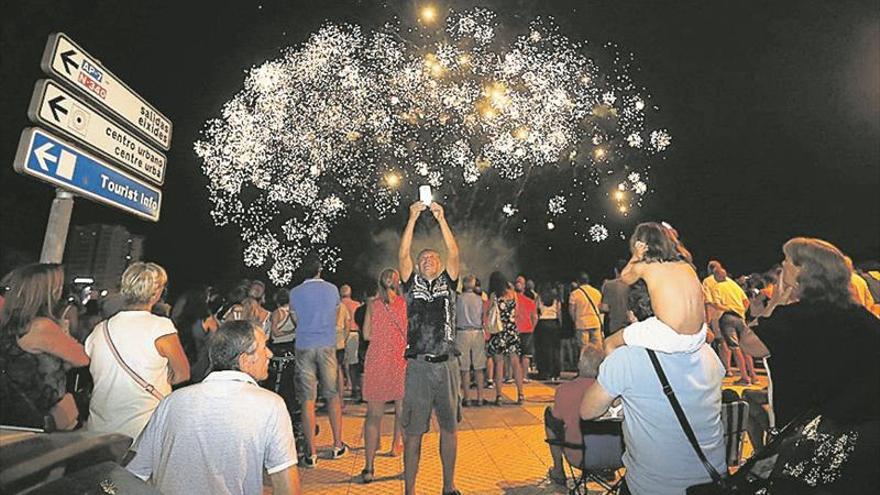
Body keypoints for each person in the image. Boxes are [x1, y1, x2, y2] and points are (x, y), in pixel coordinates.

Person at [739, 238, 879, 491]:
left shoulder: (792, 318)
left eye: (787, 261)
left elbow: (748, 343)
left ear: (804, 271)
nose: (782, 266)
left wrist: (777, 300)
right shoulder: (863, 318)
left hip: (807, 443)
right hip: (862, 439)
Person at [580, 278, 726, 495]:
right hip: (711, 479)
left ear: (631, 315)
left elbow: (587, 411)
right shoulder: (707, 353)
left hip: (653, 486)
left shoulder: (627, 359)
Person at [126, 320, 300, 495]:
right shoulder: (270, 405)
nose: (269, 354)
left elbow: (134, 472)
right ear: (245, 360)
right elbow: (286, 486)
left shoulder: (171, 402)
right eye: (264, 347)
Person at [398, 200, 461, 495]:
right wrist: (411, 219)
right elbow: (403, 254)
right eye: (423, 258)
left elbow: (455, 252)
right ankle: (409, 490)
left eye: (433, 257)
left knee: (449, 429)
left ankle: (448, 487)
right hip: (419, 366)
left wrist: (442, 219)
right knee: (413, 433)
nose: (427, 260)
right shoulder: (411, 285)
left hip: (447, 364)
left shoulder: (450, 283)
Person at [86, 262, 190, 440]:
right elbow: (182, 374)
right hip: (143, 428)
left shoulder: (101, 329)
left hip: (100, 428)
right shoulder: (160, 327)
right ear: (156, 293)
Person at [0, 263, 90, 431]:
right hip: (48, 419)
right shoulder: (42, 326)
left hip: (15, 417)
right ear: (47, 292)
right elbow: (82, 358)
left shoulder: (10, 321)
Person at [603, 222, 707, 355]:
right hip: (699, 335)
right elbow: (685, 253)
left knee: (610, 343)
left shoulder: (645, 266)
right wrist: (673, 240)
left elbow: (624, 277)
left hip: (671, 335)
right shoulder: (686, 265)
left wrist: (636, 256)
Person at [289, 256, 347, 467]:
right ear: (319, 269)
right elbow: (335, 316)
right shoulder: (332, 289)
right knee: (332, 396)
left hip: (304, 345)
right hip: (326, 345)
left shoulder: (294, 292)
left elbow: (295, 320)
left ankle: (310, 453)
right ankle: (337, 445)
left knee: (307, 400)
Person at [360, 268, 408, 483]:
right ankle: (406, 466)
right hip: (399, 359)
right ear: (397, 283)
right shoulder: (405, 304)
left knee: (373, 417)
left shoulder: (372, 304)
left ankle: (369, 468)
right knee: (404, 415)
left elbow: (367, 334)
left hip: (377, 360)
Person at [545, 345, 605, 485]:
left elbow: (558, 419)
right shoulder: (609, 391)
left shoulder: (564, 390)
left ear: (579, 364)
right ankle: (605, 471)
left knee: (550, 416)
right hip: (614, 456)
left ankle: (558, 470)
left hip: (578, 454)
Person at [705, 267, 757, 384]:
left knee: (734, 347)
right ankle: (753, 375)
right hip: (740, 317)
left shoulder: (717, 287)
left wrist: (727, 309)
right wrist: (740, 311)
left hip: (727, 318)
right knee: (744, 347)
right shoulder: (734, 285)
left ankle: (744, 377)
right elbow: (746, 302)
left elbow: (716, 304)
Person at [486, 272, 525, 405]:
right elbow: (517, 311)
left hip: (499, 333)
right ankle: (520, 394)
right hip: (512, 332)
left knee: (499, 365)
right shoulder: (513, 293)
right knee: (516, 364)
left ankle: (499, 396)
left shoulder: (494, 295)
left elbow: (489, 312)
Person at [455, 274, 487, 406]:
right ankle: (480, 398)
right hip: (477, 332)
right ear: (474, 285)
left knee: (464, 368)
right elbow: (484, 315)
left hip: (462, 333)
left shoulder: (458, 299)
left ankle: (466, 398)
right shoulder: (480, 299)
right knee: (479, 367)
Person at [534, 284, 562, 381]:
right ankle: (556, 372)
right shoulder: (556, 300)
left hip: (543, 324)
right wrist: (560, 325)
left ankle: (545, 372)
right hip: (554, 323)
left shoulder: (539, 299)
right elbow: (559, 314)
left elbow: (536, 312)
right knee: (555, 349)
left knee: (544, 349)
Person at [569, 272, 604, 349]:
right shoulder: (596, 292)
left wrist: (575, 321)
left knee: (584, 349)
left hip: (582, 324)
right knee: (597, 348)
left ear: (578, 282)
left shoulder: (574, 294)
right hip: (595, 322)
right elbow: (600, 307)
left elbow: (571, 310)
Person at [339, 284, 362, 395]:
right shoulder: (356, 305)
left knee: (342, 362)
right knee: (353, 362)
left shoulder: (338, 305)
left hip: (340, 334)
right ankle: (354, 386)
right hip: (354, 333)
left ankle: (346, 383)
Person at [515, 278, 538, 383]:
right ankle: (524, 376)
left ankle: (511, 376)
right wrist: (532, 327)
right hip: (527, 330)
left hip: (514, 330)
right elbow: (535, 317)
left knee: (513, 355)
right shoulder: (530, 301)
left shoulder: (511, 301)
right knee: (526, 355)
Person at [600, 259, 631, 336]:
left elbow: (605, 308)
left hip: (614, 326)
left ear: (615, 270)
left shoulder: (609, 285)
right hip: (631, 325)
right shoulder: (634, 284)